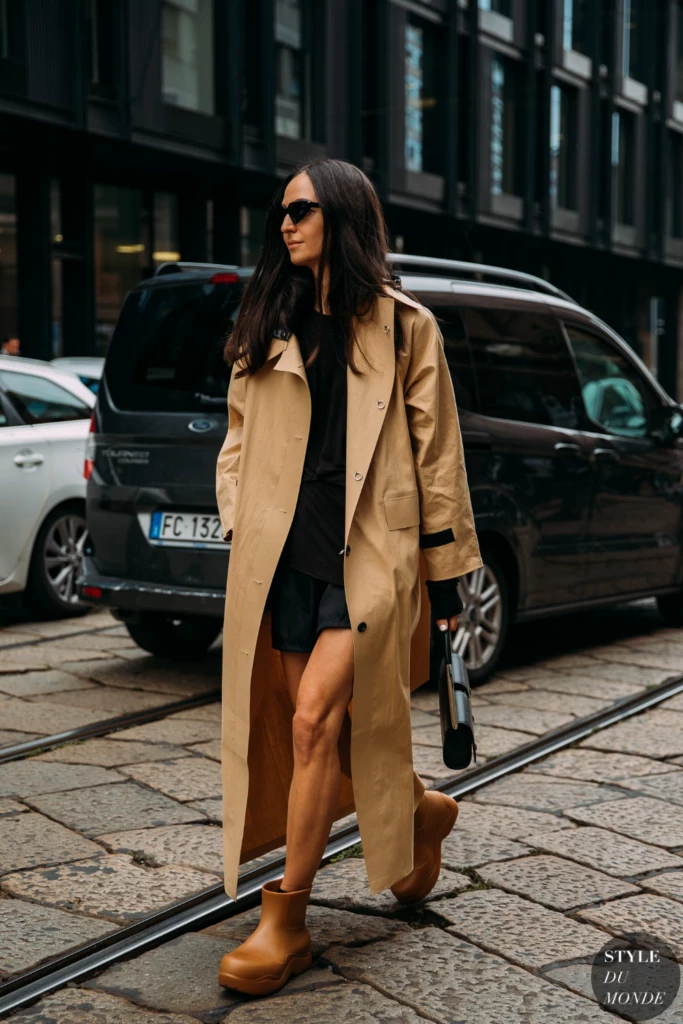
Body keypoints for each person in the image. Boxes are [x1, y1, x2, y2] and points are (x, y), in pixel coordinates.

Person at [215, 158, 483, 997]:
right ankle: (422, 811)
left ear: (340, 214)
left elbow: (439, 461)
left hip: (366, 556)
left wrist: (444, 586)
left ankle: (284, 919)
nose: (284, 225)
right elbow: (235, 435)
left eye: (299, 210)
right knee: (323, 745)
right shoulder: (267, 318)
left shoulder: (406, 328)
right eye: (280, 214)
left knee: (309, 727)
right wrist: (237, 513)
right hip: (284, 557)